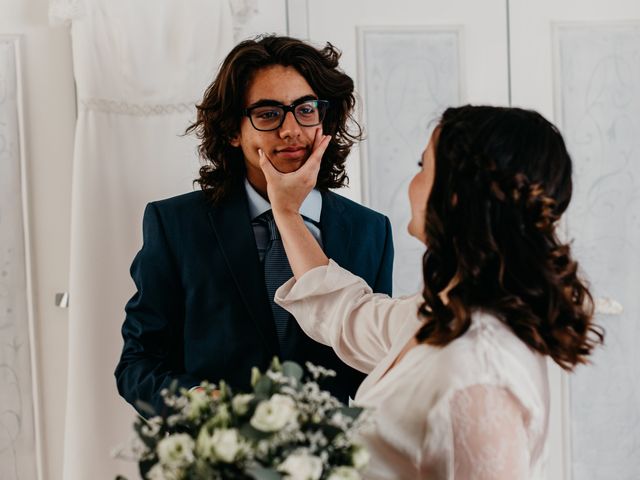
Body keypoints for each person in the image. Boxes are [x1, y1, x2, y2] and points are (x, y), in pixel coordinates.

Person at [262, 105, 604, 479]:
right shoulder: (441, 315)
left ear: (457, 195)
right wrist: (287, 211)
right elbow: (347, 311)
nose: (412, 181)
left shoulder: (479, 372)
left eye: (423, 166)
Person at [114, 35, 394, 416]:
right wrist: (200, 406)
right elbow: (138, 363)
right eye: (268, 114)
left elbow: (374, 372)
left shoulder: (370, 231)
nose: (291, 129)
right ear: (232, 130)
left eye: (305, 109)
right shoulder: (175, 224)